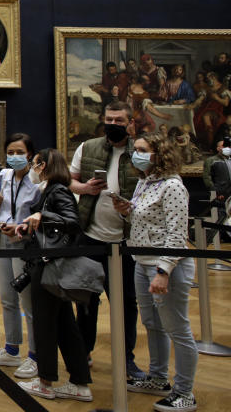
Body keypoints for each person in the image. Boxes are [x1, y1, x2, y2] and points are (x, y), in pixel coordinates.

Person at [114, 133, 198, 412]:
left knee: (178, 329)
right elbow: (150, 220)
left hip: (167, 266)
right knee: (152, 323)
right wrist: (127, 211)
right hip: (142, 260)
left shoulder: (172, 186)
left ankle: (185, 391)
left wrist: (164, 271)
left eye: (142, 149)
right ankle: (158, 377)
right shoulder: (145, 182)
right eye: (135, 149)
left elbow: (176, 233)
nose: (136, 154)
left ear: (159, 153)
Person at [68, 100, 146, 381]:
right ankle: (84, 351)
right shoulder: (88, 147)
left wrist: (131, 209)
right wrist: (86, 188)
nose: (113, 124)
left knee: (126, 302)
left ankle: (126, 358)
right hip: (90, 235)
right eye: (109, 120)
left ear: (130, 122)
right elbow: (69, 181)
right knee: (86, 299)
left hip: (127, 240)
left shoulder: (140, 151)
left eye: (119, 120)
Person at [14, 148, 93, 402]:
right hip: (50, 264)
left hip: (50, 266)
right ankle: (80, 383)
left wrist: (42, 215)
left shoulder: (57, 190)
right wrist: (26, 226)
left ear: (44, 165)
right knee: (64, 325)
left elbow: (72, 222)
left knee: (45, 325)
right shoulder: (50, 191)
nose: (31, 168)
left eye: (34, 163)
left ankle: (45, 381)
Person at [0, 133, 40, 379]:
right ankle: (11, 348)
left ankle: (36, 356)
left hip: (26, 242)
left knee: (28, 302)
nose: (15, 157)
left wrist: (22, 228)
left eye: (20, 152)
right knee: (7, 297)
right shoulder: (3, 175)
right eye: (11, 152)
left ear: (30, 154)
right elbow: (1, 205)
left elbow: (39, 212)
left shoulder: (37, 179)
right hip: (5, 238)